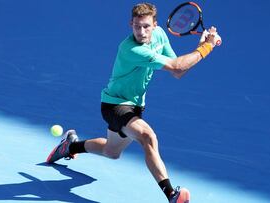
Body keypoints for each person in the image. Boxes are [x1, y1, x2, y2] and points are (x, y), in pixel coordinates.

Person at [46, 2, 221, 203]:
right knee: (148, 137)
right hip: (114, 105)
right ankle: (172, 195)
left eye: (146, 26)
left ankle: (71, 146)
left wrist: (202, 47)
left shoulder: (160, 35)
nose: (141, 31)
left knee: (111, 152)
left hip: (135, 106)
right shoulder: (130, 49)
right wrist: (206, 46)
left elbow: (179, 71)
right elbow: (175, 66)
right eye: (137, 26)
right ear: (131, 24)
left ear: (155, 25)